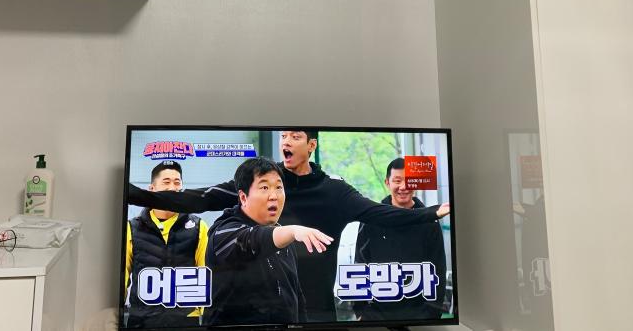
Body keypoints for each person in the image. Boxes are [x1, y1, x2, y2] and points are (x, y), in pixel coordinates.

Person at [128, 130, 450, 322]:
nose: (286, 141)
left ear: (311, 145)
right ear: (245, 195)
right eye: (283, 135)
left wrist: (431, 213)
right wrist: (134, 194)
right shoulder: (254, 187)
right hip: (246, 313)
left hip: (315, 310)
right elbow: (199, 199)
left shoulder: (334, 191)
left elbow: (379, 213)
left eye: (295, 136)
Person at [204, 157, 332, 326]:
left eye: (279, 187)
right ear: (243, 197)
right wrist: (293, 231)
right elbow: (252, 240)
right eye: (264, 188)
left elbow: (295, 296)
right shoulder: (224, 232)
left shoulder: (282, 236)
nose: (274, 196)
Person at [353, 158, 447, 322]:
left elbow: (438, 269)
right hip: (377, 314)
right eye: (397, 181)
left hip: (419, 315)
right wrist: (361, 310)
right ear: (387, 182)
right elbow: (360, 264)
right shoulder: (371, 220)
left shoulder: (430, 221)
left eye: (409, 181)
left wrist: (432, 313)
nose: (403, 187)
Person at [125, 160, 209, 328]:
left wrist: (205, 319)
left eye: (177, 182)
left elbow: (207, 277)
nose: (172, 188)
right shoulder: (132, 228)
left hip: (186, 321)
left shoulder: (199, 226)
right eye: (166, 182)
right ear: (151, 189)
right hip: (141, 321)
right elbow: (122, 279)